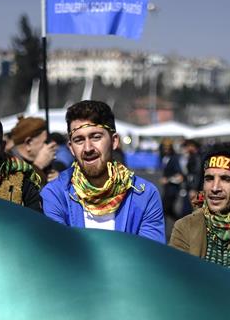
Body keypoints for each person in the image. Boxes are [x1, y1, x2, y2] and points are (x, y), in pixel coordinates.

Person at [41, 100, 164, 242]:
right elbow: (60, 253)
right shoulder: (55, 194)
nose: (88, 148)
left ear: (114, 141)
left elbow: (149, 256)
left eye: (96, 137)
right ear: (71, 148)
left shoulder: (144, 194)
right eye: (79, 140)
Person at [9, 116, 56, 186]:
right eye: (45, 142)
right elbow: (19, 191)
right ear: (28, 143)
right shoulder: (9, 164)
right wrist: (38, 166)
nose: (50, 145)